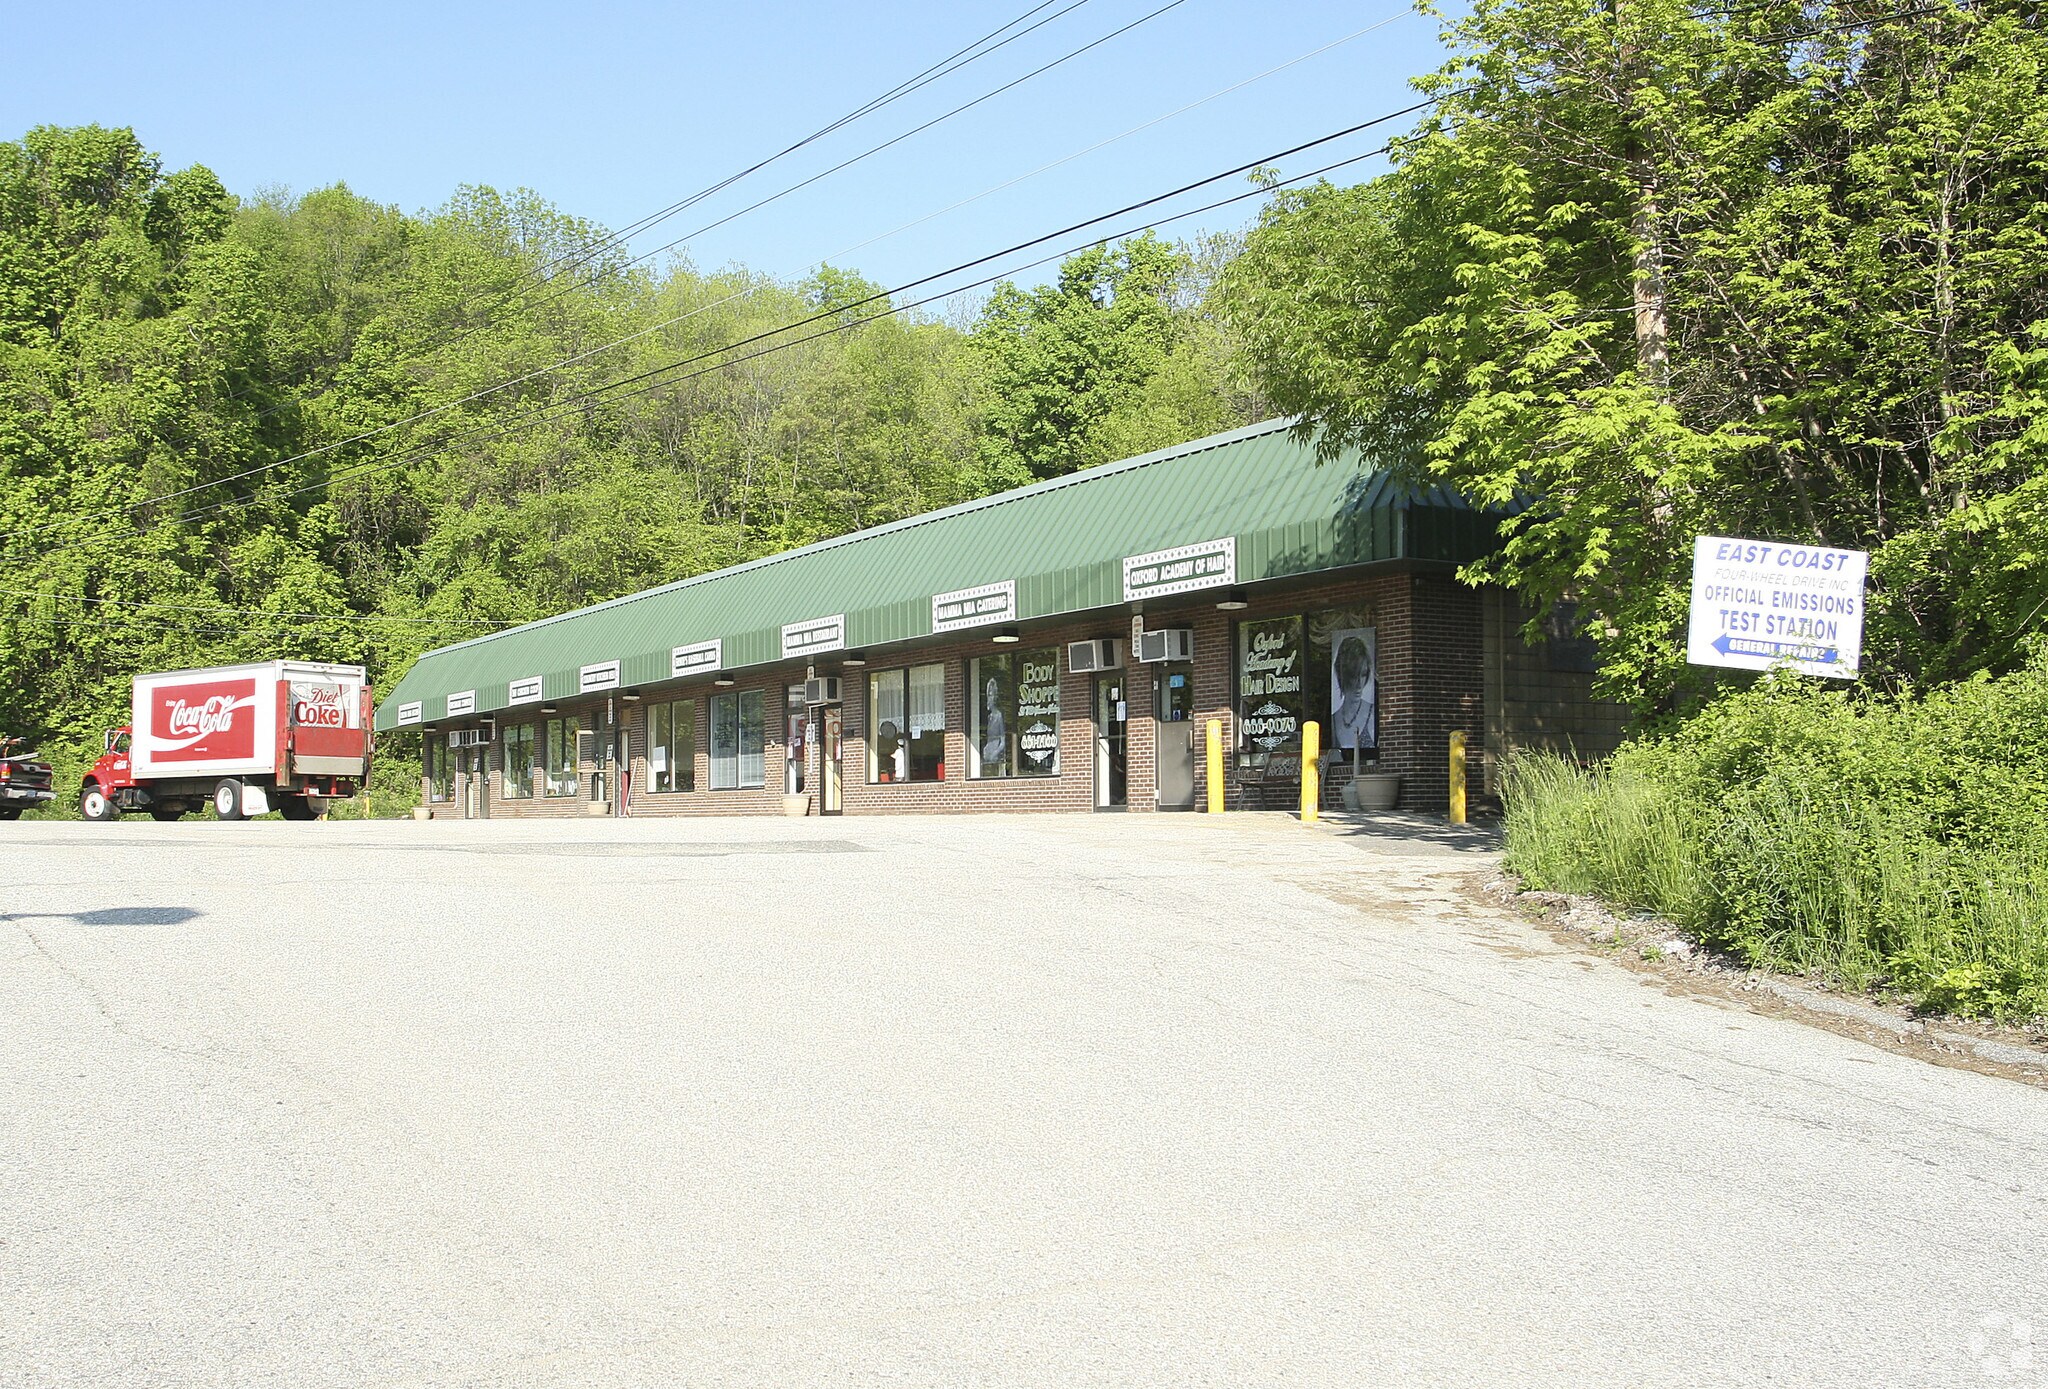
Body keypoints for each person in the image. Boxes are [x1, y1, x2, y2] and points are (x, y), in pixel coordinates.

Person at [1333, 634, 1376, 751]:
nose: (1359, 684)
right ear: (1343, 675)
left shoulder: (1373, 714)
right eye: (1353, 676)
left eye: (1363, 675)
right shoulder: (1334, 719)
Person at [980, 675, 1007, 774]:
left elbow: (1003, 741)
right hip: (988, 751)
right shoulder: (989, 717)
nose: (988, 700)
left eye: (990, 696)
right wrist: (986, 749)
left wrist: (995, 752)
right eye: (988, 696)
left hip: (995, 752)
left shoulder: (999, 716)